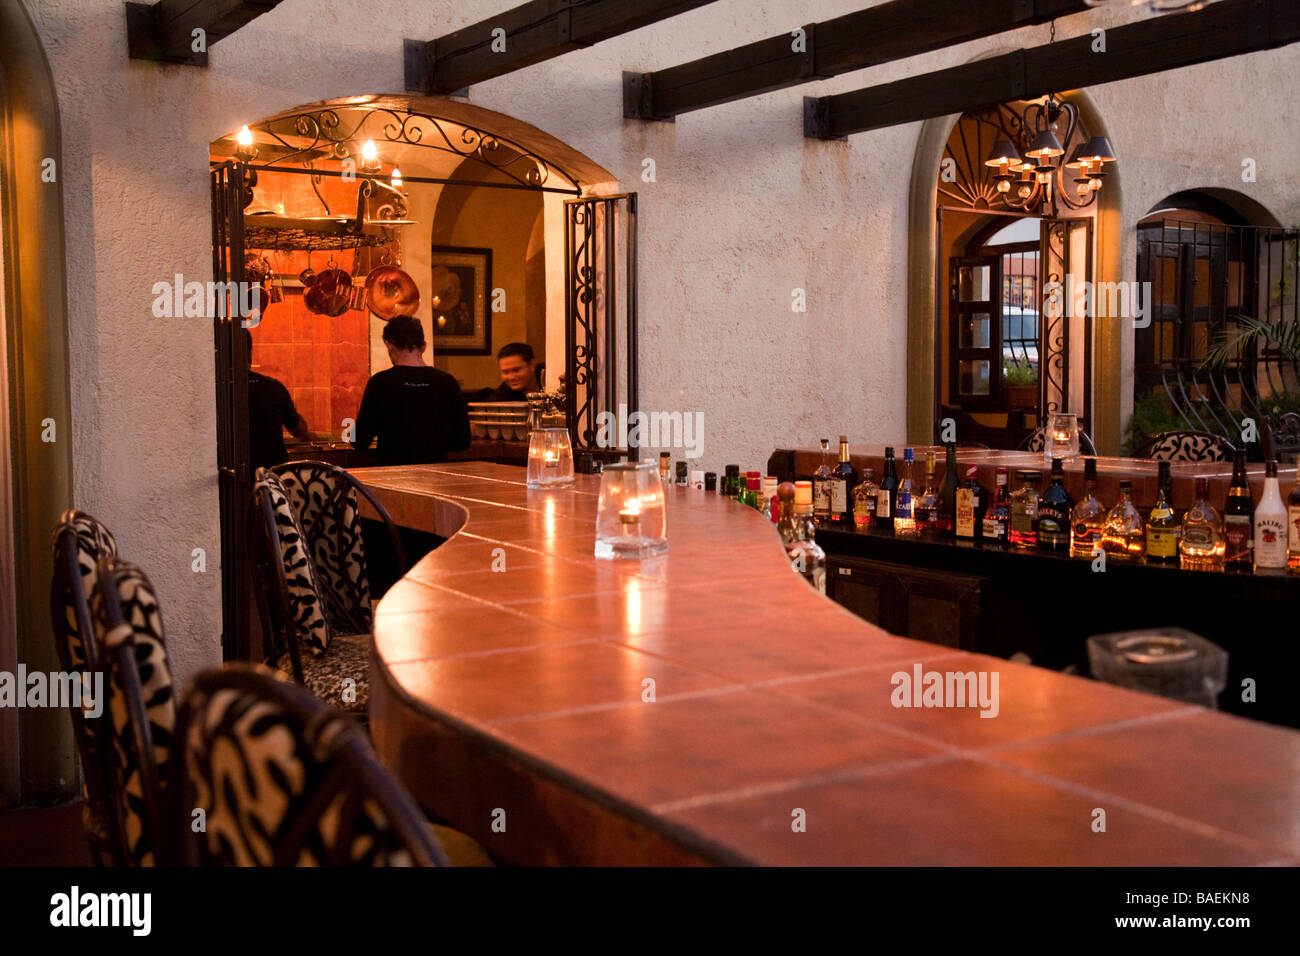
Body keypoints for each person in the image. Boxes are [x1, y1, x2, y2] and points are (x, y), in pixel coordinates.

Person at [353, 315, 471, 465]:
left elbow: (359, 440)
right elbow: (462, 441)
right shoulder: (447, 382)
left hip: (392, 475)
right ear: (423, 346)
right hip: (436, 476)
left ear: (389, 344)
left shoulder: (379, 382)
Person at [245, 328, 312, 471]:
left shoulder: (213, 390)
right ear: (249, 355)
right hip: (272, 479)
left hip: (224, 483)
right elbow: (299, 429)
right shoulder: (272, 388)